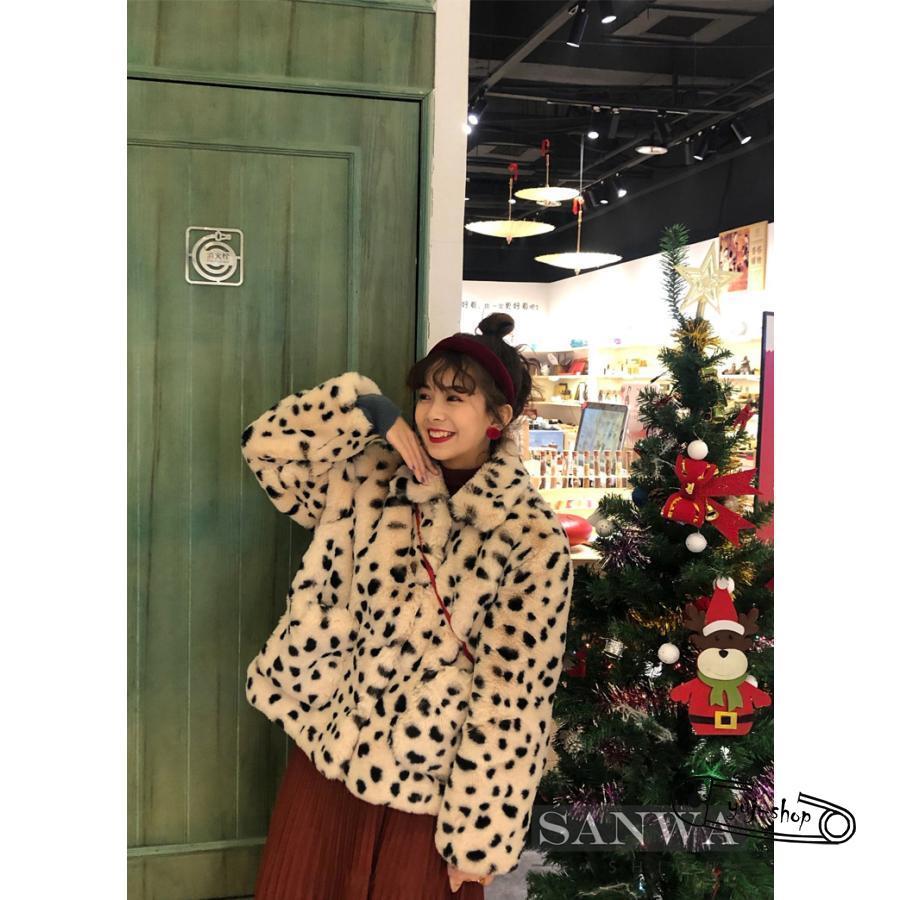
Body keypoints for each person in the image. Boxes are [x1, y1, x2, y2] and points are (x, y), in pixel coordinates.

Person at [242, 313, 574, 898]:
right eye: (424, 396)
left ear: (499, 418)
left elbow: (515, 697)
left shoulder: (531, 536)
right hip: (329, 750)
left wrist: (478, 840)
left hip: (426, 782)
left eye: (456, 398)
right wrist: (368, 412)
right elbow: (267, 452)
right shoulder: (373, 474)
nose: (433, 413)